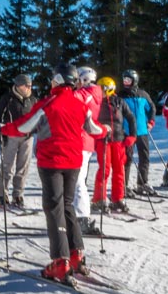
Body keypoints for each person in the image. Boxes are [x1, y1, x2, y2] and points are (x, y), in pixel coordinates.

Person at [2, 64, 109, 285]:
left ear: (58, 80)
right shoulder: (80, 104)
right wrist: (107, 130)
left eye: (53, 79)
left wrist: (3, 129)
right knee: (67, 204)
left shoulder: (48, 103)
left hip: (52, 162)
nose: (50, 83)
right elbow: (94, 129)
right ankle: (76, 254)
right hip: (73, 162)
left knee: (54, 207)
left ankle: (60, 263)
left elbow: (24, 127)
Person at [92, 77, 135, 213]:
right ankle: (99, 199)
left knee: (119, 169)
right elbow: (90, 119)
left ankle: (118, 199)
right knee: (104, 169)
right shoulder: (96, 102)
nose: (100, 92)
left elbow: (131, 117)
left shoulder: (119, 102)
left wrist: (132, 135)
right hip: (103, 140)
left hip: (118, 140)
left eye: (102, 89)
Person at [0, 73, 37, 207]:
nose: (29, 88)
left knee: (23, 167)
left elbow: (37, 117)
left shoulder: (33, 100)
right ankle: (2, 195)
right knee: (7, 166)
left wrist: (34, 130)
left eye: (30, 85)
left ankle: (18, 194)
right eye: (26, 85)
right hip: (11, 136)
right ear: (18, 86)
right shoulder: (8, 99)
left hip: (27, 137)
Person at [73, 66, 103, 235]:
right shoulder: (94, 94)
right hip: (85, 141)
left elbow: (69, 102)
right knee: (78, 179)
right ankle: (77, 214)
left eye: (77, 80)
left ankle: (82, 216)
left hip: (80, 140)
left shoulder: (86, 94)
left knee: (77, 181)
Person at [120, 69, 157, 196]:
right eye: (124, 79)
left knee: (144, 157)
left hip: (142, 131)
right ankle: (123, 185)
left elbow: (151, 108)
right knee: (127, 159)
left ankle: (142, 183)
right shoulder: (120, 96)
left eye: (128, 80)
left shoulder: (143, 95)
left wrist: (151, 121)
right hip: (127, 132)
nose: (125, 82)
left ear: (134, 80)